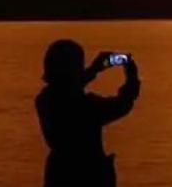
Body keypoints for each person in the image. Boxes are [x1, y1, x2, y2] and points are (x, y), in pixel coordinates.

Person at [36, 39, 141, 187]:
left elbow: (65, 88)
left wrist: (94, 69)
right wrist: (132, 75)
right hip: (90, 175)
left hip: (59, 174)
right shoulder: (87, 107)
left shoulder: (44, 100)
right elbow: (123, 104)